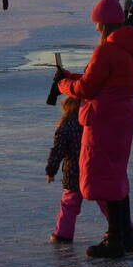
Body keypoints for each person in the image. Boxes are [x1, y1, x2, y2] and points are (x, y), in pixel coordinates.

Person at [55, 0, 133, 258]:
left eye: (97, 23)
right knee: (117, 176)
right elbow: (103, 80)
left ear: (105, 24)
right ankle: (125, 235)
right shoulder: (132, 48)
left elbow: (88, 88)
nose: (95, 28)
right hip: (122, 118)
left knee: (105, 176)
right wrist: (71, 75)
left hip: (103, 120)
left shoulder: (106, 50)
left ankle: (114, 238)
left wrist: (63, 85)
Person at [45, 96, 85, 243]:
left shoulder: (65, 127)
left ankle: (63, 234)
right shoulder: (89, 123)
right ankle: (124, 228)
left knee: (68, 205)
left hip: (73, 172)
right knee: (106, 200)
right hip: (92, 169)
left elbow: (57, 151)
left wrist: (51, 171)